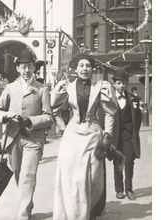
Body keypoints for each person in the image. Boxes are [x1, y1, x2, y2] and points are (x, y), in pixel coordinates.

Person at [50, 54, 118, 220]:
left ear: (92, 69)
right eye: (81, 65)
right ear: (76, 68)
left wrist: (107, 134)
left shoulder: (101, 86)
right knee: (72, 178)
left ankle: (90, 210)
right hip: (72, 136)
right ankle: (74, 214)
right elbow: (54, 109)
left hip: (93, 134)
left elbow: (110, 112)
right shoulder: (67, 86)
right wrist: (63, 128)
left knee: (94, 177)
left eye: (88, 66)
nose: (85, 69)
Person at [0, 49, 53, 220]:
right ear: (18, 68)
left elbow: (49, 117)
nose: (26, 70)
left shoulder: (42, 89)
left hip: (34, 140)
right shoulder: (10, 88)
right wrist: (5, 115)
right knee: (19, 175)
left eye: (30, 66)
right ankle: (28, 204)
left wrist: (31, 120)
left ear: (34, 68)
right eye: (23, 67)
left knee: (27, 176)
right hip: (13, 139)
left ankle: (22, 216)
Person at [111, 69, 142, 200]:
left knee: (129, 161)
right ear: (114, 84)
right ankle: (119, 190)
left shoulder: (132, 98)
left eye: (124, 83)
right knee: (118, 162)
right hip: (115, 135)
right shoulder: (109, 99)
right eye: (119, 83)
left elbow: (138, 117)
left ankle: (129, 189)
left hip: (128, 135)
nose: (121, 86)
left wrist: (133, 130)